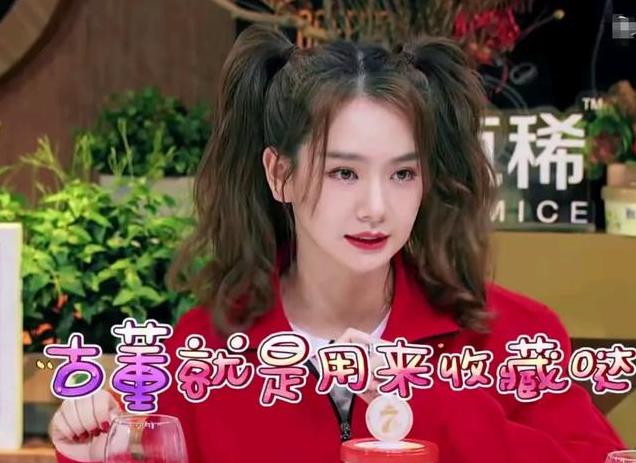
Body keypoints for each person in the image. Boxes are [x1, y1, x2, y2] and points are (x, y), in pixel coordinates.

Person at [51, 24, 626, 463]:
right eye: (343, 172)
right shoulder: (201, 353)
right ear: (279, 174)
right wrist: (90, 452)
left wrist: (422, 401)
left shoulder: (517, 336)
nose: (376, 206)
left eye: (403, 173)